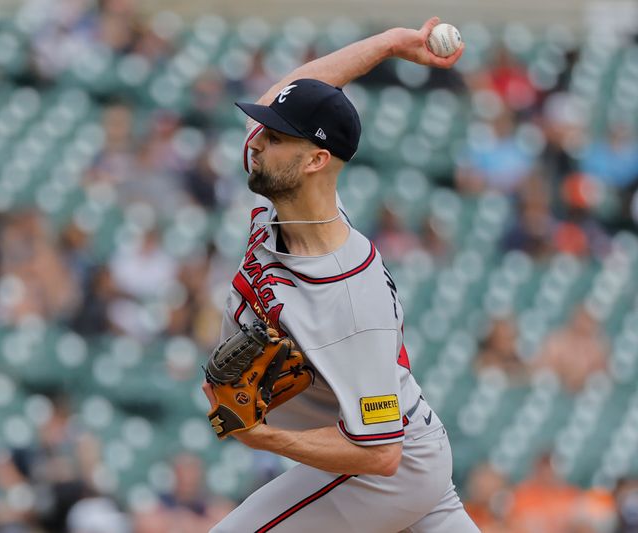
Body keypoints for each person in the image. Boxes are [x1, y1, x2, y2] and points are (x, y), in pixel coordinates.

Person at [202, 17, 479, 533]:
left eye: (277, 137)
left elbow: (379, 453)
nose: (258, 143)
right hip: (409, 446)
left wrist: (263, 439)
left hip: (389, 466)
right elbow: (301, 89)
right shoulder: (283, 203)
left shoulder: (351, 297)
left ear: (316, 160)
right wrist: (392, 43)